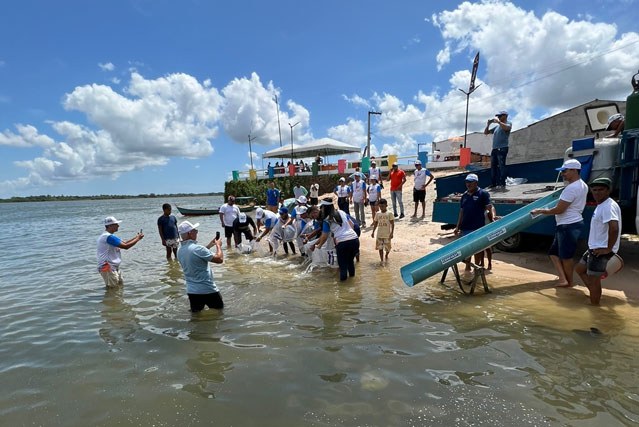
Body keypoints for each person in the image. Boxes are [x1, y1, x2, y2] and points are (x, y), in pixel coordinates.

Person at [531, 159, 588, 287]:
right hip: (570, 223)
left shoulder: (571, 188)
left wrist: (540, 211)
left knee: (566, 256)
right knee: (553, 253)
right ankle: (563, 279)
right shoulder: (582, 185)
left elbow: (559, 209)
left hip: (568, 225)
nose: (563, 174)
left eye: (565, 171)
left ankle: (569, 283)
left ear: (574, 170)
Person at [575, 178, 621, 305]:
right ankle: (594, 294)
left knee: (594, 279)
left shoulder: (608, 206)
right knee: (579, 269)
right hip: (594, 247)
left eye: (601, 190)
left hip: (601, 250)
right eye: (594, 190)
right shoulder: (602, 204)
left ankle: (595, 307)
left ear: (608, 190)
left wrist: (608, 249)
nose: (597, 193)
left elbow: (614, 228)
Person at [176, 220, 224, 312]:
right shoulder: (198, 249)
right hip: (208, 289)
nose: (197, 233)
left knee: (196, 318)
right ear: (190, 233)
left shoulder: (180, 250)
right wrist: (218, 246)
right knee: (219, 314)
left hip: (192, 291)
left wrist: (210, 245)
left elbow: (195, 254)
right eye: (195, 231)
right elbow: (219, 259)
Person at [454, 173, 494, 270]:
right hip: (466, 227)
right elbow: (461, 211)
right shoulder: (464, 195)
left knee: (477, 249)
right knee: (467, 249)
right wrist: (457, 226)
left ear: (476, 183)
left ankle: (476, 267)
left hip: (478, 227)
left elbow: (489, 208)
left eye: (470, 182)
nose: (468, 184)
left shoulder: (483, 194)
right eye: (467, 182)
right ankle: (467, 267)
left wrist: (492, 221)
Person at [312, 199, 359, 281]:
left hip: (342, 242)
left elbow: (324, 236)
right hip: (354, 239)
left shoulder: (326, 220)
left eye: (322, 207)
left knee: (343, 266)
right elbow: (352, 225)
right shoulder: (342, 212)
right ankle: (352, 284)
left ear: (324, 208)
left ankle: (343, 291)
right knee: (350, 263)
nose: (321, 210)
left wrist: (318, 246)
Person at [96, 216, 144, 288]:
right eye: (116, 224)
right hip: (108, 268)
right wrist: (138, 238)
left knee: (118, 288)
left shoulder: (110, 236)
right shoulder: (108, 237)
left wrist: (136, 237)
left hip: (113, 267)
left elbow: (125, 243)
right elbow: (126, 246)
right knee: (113, 290)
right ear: (110, 226)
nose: (118, 225)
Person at [484, 110, 512, 190]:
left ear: (505, 116)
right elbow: (486, 132)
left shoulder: (508, 123)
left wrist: (499, 122)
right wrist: (488, 125)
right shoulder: (497, 127)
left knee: (502, 166)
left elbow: (507, 128)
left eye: (500, 116)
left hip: (502, 148)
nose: (498, 117)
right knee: (493, 167)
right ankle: (493, 184)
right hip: (495, 149)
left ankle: (502, 183)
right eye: (498, 116)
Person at [371, 198, 394, 264]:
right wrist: (373, 232)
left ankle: (386, 255)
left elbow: (392, 224)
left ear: (386, 205)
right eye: (380, 206)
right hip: (379, 234)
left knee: (388, 248)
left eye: (383, 206)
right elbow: (375, 223)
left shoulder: (389, 213)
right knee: (380, 248)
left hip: (387, 234)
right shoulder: (378, 214)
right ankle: (381, 260)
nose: (381, 208)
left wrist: (392, 233)